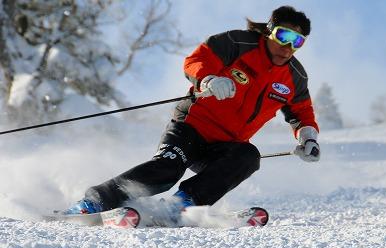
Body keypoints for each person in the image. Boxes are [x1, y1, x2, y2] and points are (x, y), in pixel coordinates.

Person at [65, 6, 321, 220]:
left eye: (297, 42)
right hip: (191, 127)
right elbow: (196, 60)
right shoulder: (237, 43)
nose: (288, 46)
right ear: (269, 32)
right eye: (283, 36)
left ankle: (182, 204)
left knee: (249, 156)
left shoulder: (294, 78)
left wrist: (307, 138)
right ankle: (94, 202)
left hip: (225, 146)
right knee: (167, 169)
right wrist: (208, 79)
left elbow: (301, 112)